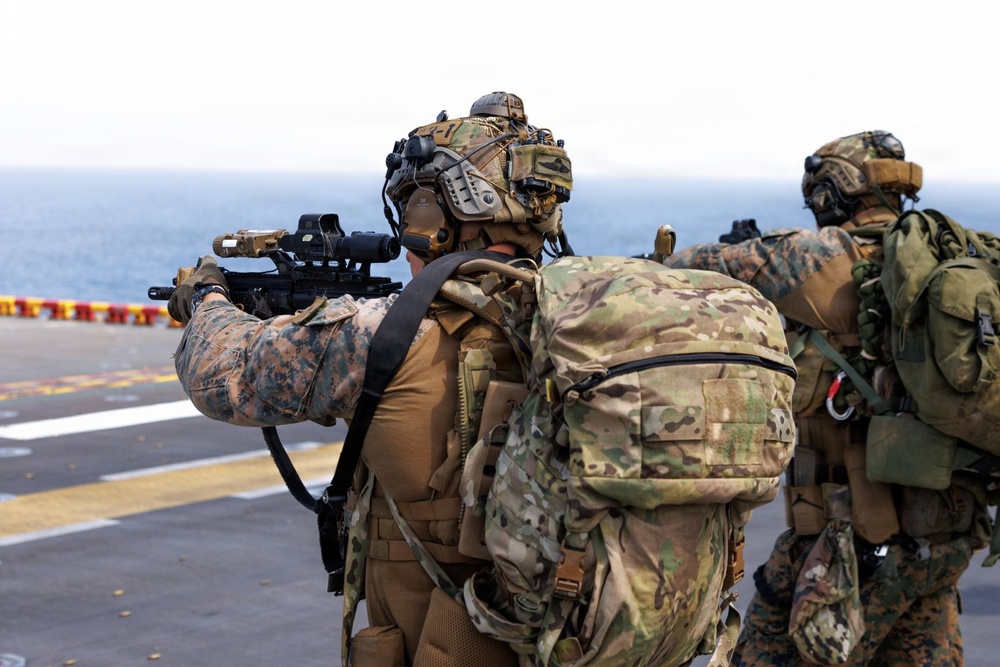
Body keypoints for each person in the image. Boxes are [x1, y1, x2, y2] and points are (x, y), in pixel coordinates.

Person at [167, 92, 572, 667]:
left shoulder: (386, 336)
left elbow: (219, 373)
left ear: (441, 216)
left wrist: (207, 295)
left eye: (416, 210)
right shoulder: (571, 324)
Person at [660, 131, 993, 666]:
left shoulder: (821, 257)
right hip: (943, 540)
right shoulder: (948, 259)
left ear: (830, 193)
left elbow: (692, 270)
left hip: (850, 547)